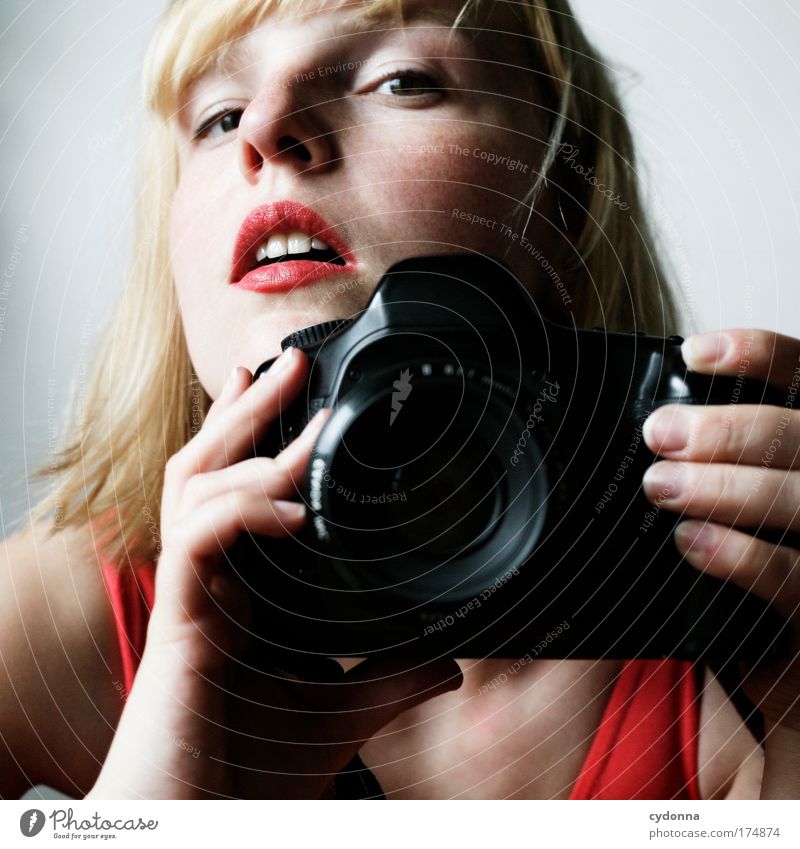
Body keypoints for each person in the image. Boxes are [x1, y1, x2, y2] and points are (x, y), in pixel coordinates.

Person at [2, 0, 798, 800]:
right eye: (219, 116)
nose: (267, 127)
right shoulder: (69, 614)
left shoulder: (739, 610)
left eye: (402, 80)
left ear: (564, 197)